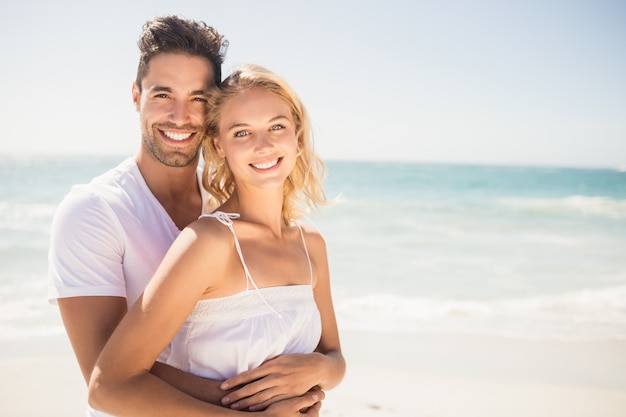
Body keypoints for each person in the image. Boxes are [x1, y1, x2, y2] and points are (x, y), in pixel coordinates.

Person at [48, 16, 323, 416]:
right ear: (136, 95)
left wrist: (320, 371)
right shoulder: (94, 211)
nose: (180, 115)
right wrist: (259, 404)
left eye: (198, 98)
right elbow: (104, 379)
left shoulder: (231, 203)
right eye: (163, 95)